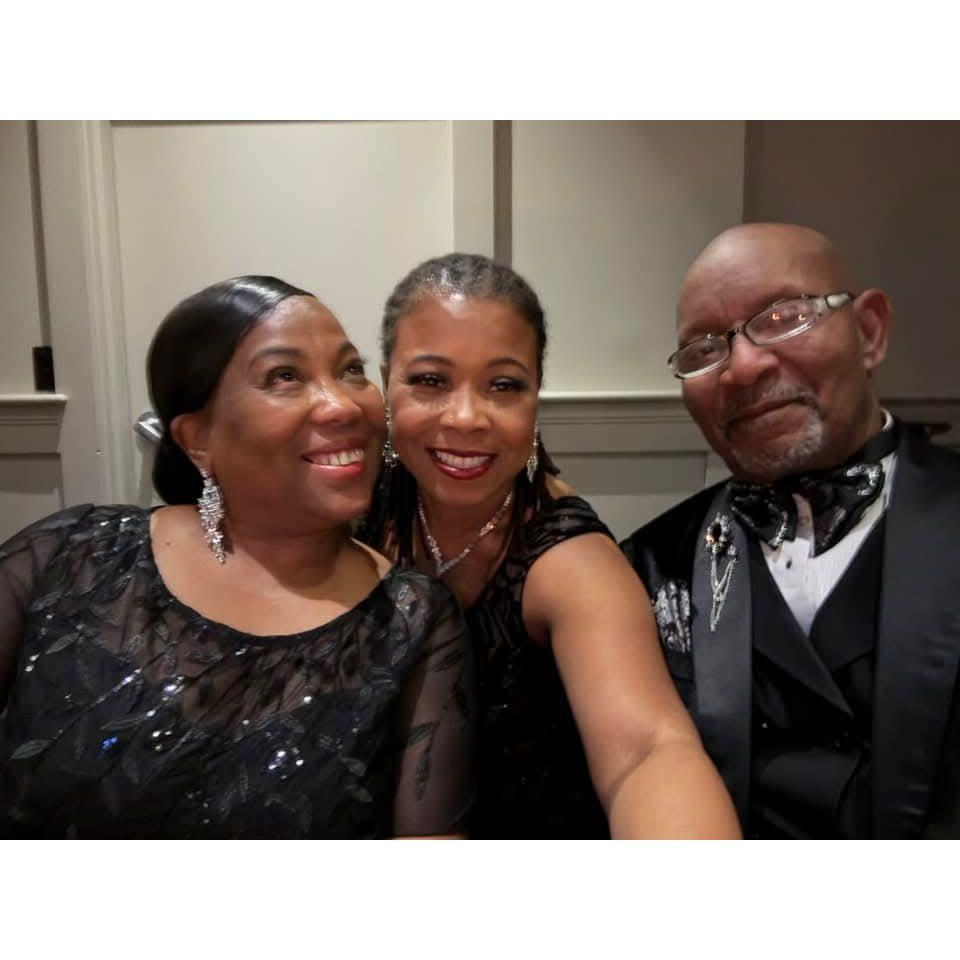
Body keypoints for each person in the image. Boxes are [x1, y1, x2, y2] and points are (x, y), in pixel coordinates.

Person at [0, 276, 475, 839]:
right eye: (284, 376)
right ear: (197, 438)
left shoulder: (412, 623)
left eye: (351, 369)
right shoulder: (72, 554)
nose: (344, 404)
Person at [360, 253, 740, 839]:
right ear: (388, 381)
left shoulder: (569, 560)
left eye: (504, 385)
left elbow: (649, 749)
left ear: (536, 394)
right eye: (431, 381)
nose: (466, 417)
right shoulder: (358, 503)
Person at [621, 221, 960, 839]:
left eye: (783, 317)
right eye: (703, 351)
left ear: (869, 332)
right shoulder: (644, 566)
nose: (742, 367)